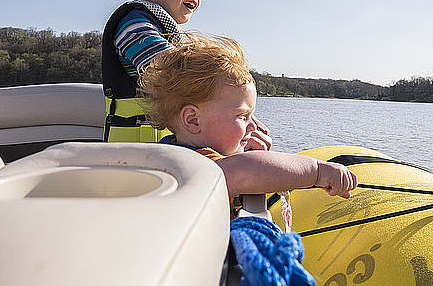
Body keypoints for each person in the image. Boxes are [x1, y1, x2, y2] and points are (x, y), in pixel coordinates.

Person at [138, 34, 358, 208]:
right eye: (242, 116)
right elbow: (241, 171)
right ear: (193, 120)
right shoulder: (197, 164)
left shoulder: (174, 148)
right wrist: (317, 171)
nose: (253, 126)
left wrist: (243, 150)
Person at [102, 0, 272, 148]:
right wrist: (236, 115)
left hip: (163, 155)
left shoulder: (169, 33)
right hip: (130, 162)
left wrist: (242, 121)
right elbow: (176, 71)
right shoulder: (133, 25)